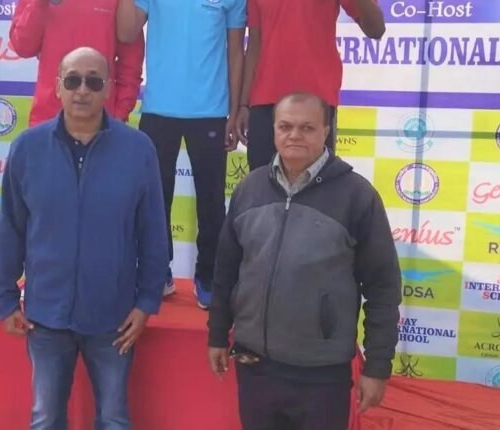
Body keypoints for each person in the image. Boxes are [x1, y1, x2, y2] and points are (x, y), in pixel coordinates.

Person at [0, 47, 169, 430]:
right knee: (46, 418)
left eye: (93, 81)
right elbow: (10, 228)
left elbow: (154, 231)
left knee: (114, 418)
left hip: (113, 316)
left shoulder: (138, 150)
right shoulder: (27, 148)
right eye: (72, 80)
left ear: (108, 88)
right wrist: (4, 299)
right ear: (58, 86)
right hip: (45, 316)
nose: (82, 90)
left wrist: (147, 301)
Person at [207, 93, 401, 430]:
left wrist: (377, 367)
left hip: (321, 376)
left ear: (326, 130)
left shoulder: (357, 196)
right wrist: (217, 335)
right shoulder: (249, 189)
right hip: (255, 367)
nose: (294, 135)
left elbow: (383, 288)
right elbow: (226, 271)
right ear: (273, 130)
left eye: (307, 128)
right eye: (285, 126)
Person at [116, 0, 246, 309]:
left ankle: (209, 277)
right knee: (154, 199)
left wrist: (235, 109)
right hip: (158, 109)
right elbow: (125, 32)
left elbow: (235, 51)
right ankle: (158, 272)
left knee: (212, 202)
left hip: (212, 110)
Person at [237, 0, 385, 169]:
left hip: (316, 100)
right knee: (262, 179)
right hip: (265, 100)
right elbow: (255, 43)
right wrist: (243, 104)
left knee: (316, 180)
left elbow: (376, 30)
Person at [10, 0, 145, 126]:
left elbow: (131, 63)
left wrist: (119, 115)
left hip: (101, 123)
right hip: (47, 119)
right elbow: (23, 47)